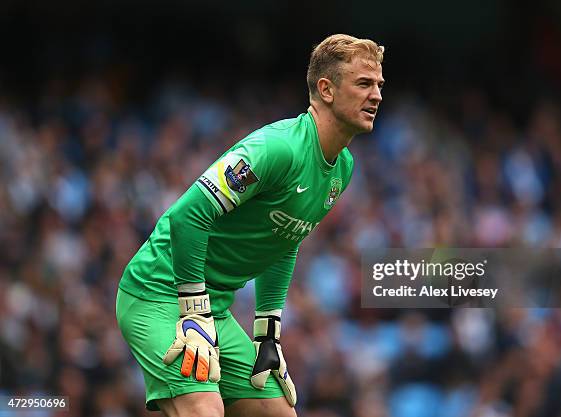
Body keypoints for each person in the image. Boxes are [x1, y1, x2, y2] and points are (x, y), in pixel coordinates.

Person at [116, 33, 385, 417]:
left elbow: (284, 239)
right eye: (363, 83)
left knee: (278, 413)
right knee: (203, 410)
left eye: (378, 85)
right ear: (326, 89)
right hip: (158, 295)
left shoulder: (342, 168)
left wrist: (268, 330)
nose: (376, 95)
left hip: (213, 310)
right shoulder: (278, 149)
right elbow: (186, 216)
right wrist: (193, 310)